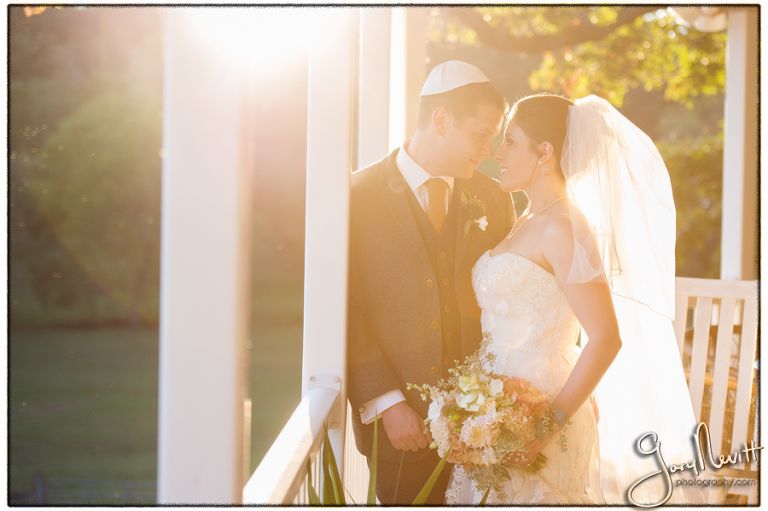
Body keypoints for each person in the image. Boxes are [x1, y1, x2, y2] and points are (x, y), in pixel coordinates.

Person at [445, 93, 721, 505]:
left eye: (511, 141)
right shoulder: (526, 221)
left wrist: (544, 426)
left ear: (544, 152)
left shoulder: (564, 227)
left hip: (540, 412)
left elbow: (606, 337)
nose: (498, 153)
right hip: (491, 411)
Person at [346, 60, 515, 504]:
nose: (488, 150)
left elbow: (510, 303)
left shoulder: (494, 200)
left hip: (485, 427)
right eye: (480, 135)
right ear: (441, 121)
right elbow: (348, 310)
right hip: (403, 430)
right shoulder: (357, 197)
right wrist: (386, 403)